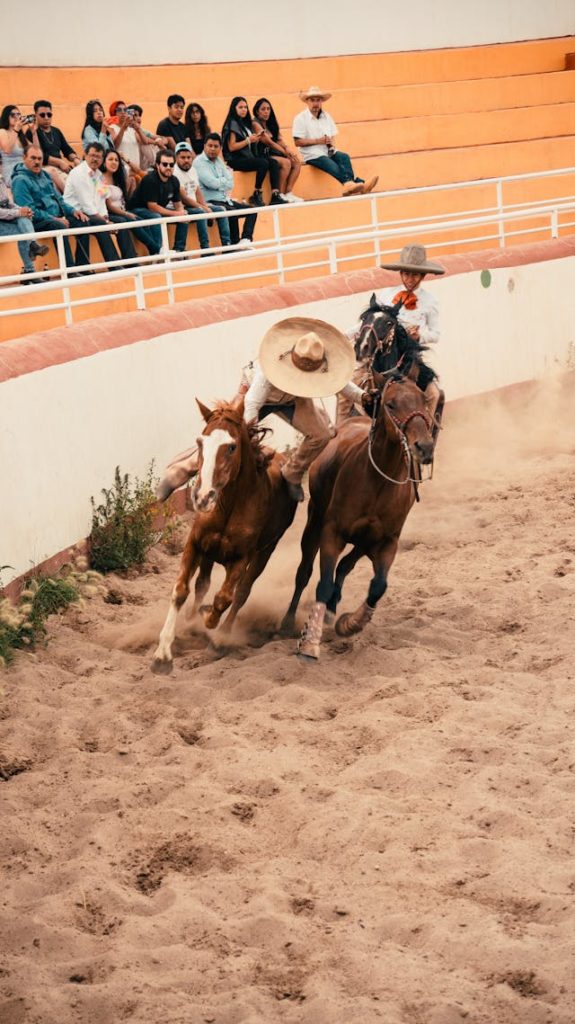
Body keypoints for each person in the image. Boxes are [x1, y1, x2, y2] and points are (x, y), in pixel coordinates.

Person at [157, 317, 371, 504]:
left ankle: (292, 474)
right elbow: (251, 402)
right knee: (227, 433)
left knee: (321, 434)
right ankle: (181, 471)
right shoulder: (269, 369)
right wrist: (246, 430)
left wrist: (363, 396)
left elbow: (341, 384)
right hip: (257, 395)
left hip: (294, 398)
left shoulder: (317, 359)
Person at [346, 243, 444, 421]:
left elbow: (436, 334)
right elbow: (370, 323)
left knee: (433, 394)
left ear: (422, 276)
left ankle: (424, 437)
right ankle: (342, 430)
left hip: (409, 357)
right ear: (400, 273)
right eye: (406, 274)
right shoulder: (386, 294)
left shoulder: (430, 301)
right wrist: (345, 335)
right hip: (380, 354)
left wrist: (419, 335)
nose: (410, 279)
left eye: (414, 274)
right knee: (349, 385)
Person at [11, 143, 93, 270]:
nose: (37, 162)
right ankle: (69, 270)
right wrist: (54, 219)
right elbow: (29, 211)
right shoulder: (20, 180)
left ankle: (83, 267)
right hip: (36, 222)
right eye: (33, 158)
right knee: (58, 226)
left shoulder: (45, 175)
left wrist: (73, 211)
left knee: (82, 221)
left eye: (40, 159)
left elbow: (59, 200)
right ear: (24, 158)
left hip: (55, 218)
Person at [292, 85, 378, 197]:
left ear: (321, 101)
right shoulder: (300, 118)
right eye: (312, 100)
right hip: (311, 155)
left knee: (344, 157)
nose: (315, 103)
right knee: (331, 164)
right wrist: (319, 141)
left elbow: (332, 137)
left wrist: (331, 147)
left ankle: (352, 185)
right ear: (307, 102)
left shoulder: (327, 116)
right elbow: (298, 142)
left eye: (318, 100)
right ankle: (357, 183)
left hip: (327, 151)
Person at [63, 141, 138, 267]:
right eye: (92, 155)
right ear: (85, 155)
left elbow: (102, 199)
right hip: (75, 213)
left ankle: (130, 261)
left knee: (121, 221)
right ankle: (114, 265)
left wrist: (106, 217)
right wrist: (106, 222)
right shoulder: (78, 173)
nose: (95, 159)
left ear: (102, 159)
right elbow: (86, 204)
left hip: (91, 214)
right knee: (101, 223)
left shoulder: (98, 175)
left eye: (98, 157)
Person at [194, 133, 257, 249]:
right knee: (231, 212)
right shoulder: (199, 162)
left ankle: (245, 239)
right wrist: (223, 181)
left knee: (252, 211)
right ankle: (234, 245)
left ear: (220, 148)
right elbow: (211, 183)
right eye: (210, 145)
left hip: (224, 200)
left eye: (216, 146)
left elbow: (231, 183)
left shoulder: (218, 161)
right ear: (204, 146)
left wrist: (219, 182)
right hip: (210, 202)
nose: (212, 149)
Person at [222, 96, 286, 207]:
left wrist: (255, 138)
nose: (244, 110)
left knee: (273, 162)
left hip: (247, 156)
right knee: (263, 163)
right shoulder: (232, 124)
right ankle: (257, 193)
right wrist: (248, 140)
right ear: (234, 109)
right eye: (240, 107)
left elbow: (248, 141)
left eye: (245, 107)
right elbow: (232, 147)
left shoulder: (244, 124)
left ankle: (275, 195)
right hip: (236, 159)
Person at [0, 152, 49, 283]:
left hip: (4, 221)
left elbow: (8, 204)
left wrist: (22, 210)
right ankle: (30, 268)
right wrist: (18, 212)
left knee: (24, 221)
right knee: (23, 227)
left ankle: (30, 269)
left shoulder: (0, 180)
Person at [101, 149, 160, 257]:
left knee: (142, 221)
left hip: (123, 210)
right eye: (110, 159)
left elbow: (138, 172)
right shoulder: (100, 179)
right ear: (104, 162)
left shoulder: (118, 178)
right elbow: (108, 205)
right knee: (132, 219)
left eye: (116, 160)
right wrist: (126, 213)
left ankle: (154, 251)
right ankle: (158, 250)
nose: (114, 162)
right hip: (111, 213)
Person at [128, 148, 183, 256]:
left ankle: (179, 249)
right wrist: (176, 213)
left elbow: (178, 204)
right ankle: (158, 252)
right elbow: (152, 207)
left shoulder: (174, 180)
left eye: (171, 165)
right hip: (137, 209)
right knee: (156, 217)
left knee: (185, 218)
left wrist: (181, 212)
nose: (168, 167)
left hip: (155, 210)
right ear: (157, 165)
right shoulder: (150, 179)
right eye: (165, 164)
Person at [252, 97, 302, 203]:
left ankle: (288, 193)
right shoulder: (255, 123)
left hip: (273, 153)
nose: (266, 112)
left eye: (268, 109)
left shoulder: (271, 122)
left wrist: (288, 149)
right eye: (263, 109)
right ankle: (278, 194)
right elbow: (268, 142)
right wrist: (285, 153)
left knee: (296, 162)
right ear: (257, 111)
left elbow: (279, 140)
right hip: (261, 154)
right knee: (286, 162)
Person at [27, 99, 80, 194]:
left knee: (80, 179)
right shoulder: (32, 132)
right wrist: (59, 162)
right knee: (70, 189)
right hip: (45, 168)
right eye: (42, 115)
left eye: (49, 114)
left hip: (61, 168)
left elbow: (67, 149)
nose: (46, 117)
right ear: (35, 115)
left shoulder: (56, 131)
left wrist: (75, 159)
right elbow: (38, 155)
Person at [172, 142, 210, 253]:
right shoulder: (175, 172)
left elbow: (198, 192)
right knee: (200, 212)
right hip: (181, 206)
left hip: (194, 205)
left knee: (221, 210)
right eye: (183, 157)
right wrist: (203, 208)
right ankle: (205, 249)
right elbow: (184, 198)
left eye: (189, 157)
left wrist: (206, 206)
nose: (186, 160)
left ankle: (228, 245)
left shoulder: (193, 170)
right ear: (176, 158)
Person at [0, 105, 29, 186]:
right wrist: (16, 129)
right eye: (13, 115)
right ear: (6, 117)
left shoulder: (20, 135)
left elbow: (36, 149)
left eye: (18, 114)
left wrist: (34, 133)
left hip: (24, 168)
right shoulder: (2, 132)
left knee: (50, 173)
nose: (16, 117)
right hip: (12, 171)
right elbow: (7, 150)